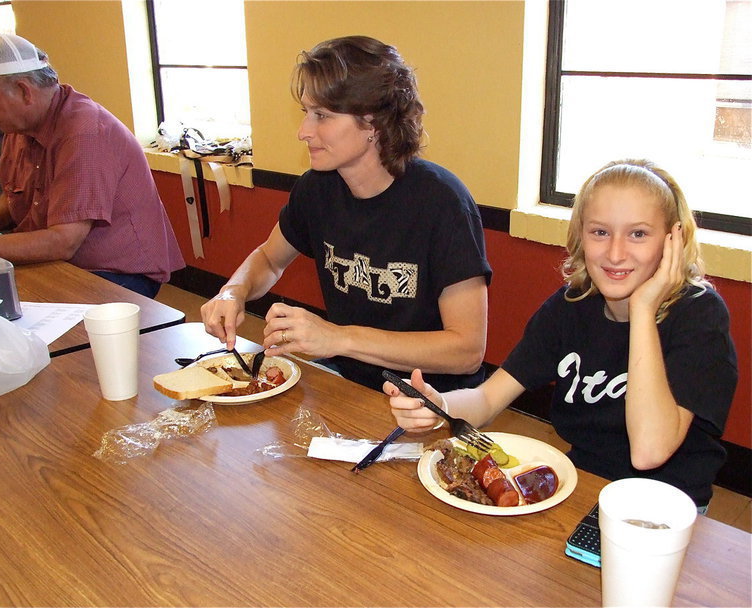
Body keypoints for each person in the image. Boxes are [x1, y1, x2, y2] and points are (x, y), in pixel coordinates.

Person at [385, 159, 738, 509]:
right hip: (585, 487)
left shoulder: (699, 314)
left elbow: (649, 451)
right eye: (600, 232)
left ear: (673, 239)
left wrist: (642, 310)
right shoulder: (572, 305)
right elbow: (488, 399)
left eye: (638, 234)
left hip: (665, 506)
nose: (616, 254)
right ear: (580, 236)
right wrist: (437, 406)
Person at [201, 36, 492, 392]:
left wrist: (339, 338)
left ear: (374, 123)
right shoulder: (316, 188)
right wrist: (233, 291)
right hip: (352, 382)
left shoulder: (443, 203)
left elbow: (466, 350)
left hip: (433, 399)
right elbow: (268, 258)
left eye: (322, 115)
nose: (303, 131)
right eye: (306, 113)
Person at [0, 33, 184, 298]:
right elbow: (14, 190)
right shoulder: (19, 127)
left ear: (24, 90)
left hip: (116, 272)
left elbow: (62, 242)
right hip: (62, 260)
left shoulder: (84, 132)